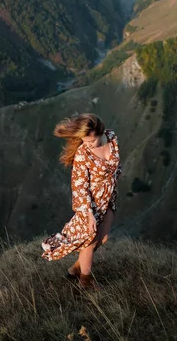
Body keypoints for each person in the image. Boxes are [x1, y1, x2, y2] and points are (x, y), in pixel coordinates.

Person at [41, 113, 122, 290]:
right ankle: (86, 281)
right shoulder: (82, 155)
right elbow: (80, 187)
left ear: (100, 132)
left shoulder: (112, 137)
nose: (89, 145)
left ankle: (77, 267)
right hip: (91, 204)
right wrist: (88, 214)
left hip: (108, 198)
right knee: (90, 241)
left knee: (104, 238)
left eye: (91, 141)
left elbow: (116, 164)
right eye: (85, 141)